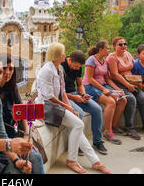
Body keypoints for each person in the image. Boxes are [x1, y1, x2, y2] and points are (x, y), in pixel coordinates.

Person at [37, 42, 111, 174]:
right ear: (57, 55)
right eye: (62, 53)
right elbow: (48, 97)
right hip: (46, 107)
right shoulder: (46, 70)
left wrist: (70, 107)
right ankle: (74, 160)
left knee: (78, 125)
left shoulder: (58, 69)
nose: (65, 55)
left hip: (56, 105)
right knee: (78, 124)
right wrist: (66, 106)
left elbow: (63, 92)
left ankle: (95, 161)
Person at [0, 54, 45, 174]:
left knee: (35, 157)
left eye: (11, 69)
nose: (7, 72)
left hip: (15, 135)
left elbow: (22, 113)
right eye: (4, 69)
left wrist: (27, 137)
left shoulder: (12, 88)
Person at [62, 49, 113, 155]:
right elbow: (58, 92)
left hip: (74, 93)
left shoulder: (78, 67)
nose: (77, 69)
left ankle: (97, 141)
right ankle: (78, 143)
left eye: (79, 67)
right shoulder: (61, 66)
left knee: (97, 109)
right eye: (76, 66)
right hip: (63, 96)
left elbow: (80, 84)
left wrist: (83, 94)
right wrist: (74, 97)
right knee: (79, 112)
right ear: (70, 60)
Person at [107, 37, 144, 139]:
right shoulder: (112, 57)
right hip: (119, 84)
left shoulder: (128, 54)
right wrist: (127, 85)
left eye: (125, 43)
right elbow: (115, 75)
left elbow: (136, 65)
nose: (124, 46)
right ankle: (129, 127)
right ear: (114, 46)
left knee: (143, 99)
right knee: (131, 99)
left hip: (132, 82)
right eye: (120, 44)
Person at [82, 42, 127, 147]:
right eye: (107, 49)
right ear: (101, 49)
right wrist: (103, 89)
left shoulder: (105, 61)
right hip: (90, 86)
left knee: (122, 99)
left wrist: (118, 89)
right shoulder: (91, 60)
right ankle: (107, 131)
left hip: (103, 85)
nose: (109, 51)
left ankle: (114, 125)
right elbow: (90, 78)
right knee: (111, 102)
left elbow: (107, 79)